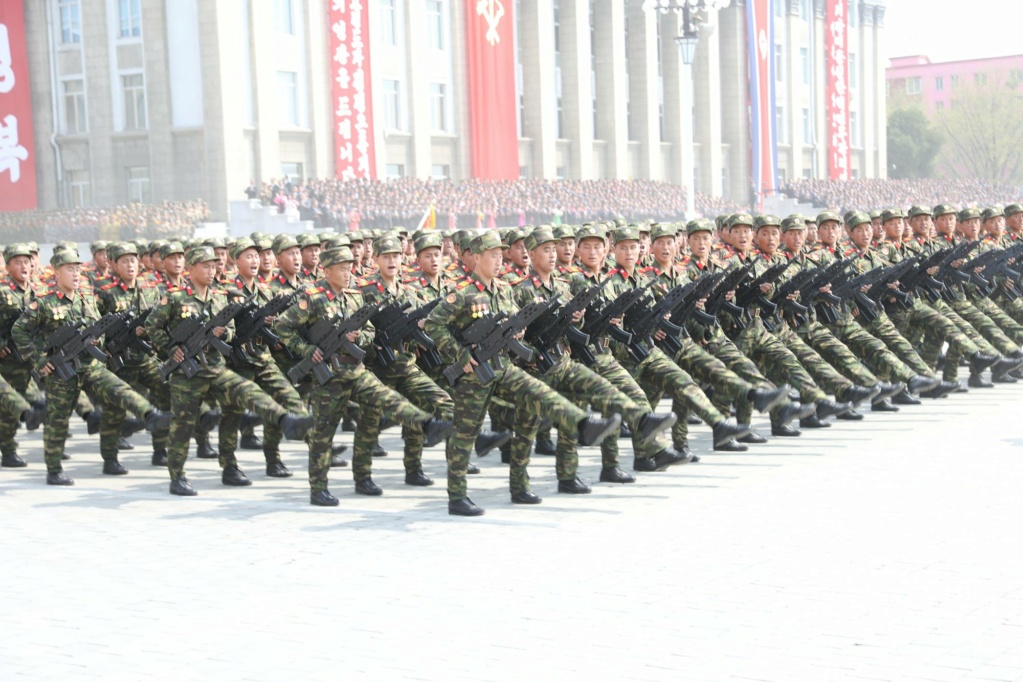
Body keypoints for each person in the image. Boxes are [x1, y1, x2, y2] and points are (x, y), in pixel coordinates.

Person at [425, 231, 623, 516]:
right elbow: (433, 325)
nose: (498, 260)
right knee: (465, 434)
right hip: (474, 373)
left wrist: (516, 330)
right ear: (477, 258)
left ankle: (582, 425)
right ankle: (457, 496)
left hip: (503, 366)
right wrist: (460, 354)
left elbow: (513, 322)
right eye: (492, 255)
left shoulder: (504, 289)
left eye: (499, 255)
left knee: (539, 393)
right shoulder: (462, 293)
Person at [276, 246, 453, 507]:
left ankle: (427, 425)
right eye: (342, 268)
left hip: (356, 370)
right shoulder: (313, 298)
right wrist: (307, 349)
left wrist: (361, 337)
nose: (348, 273)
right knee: (324, 432)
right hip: (328, 376)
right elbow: (282, 325)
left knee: (388, 398)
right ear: (327, 271)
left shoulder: (354, 297)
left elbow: (369, 329)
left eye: (350, 268)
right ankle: (319, 487)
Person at [146, 246, 313, 496]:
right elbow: (152, 327)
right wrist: (171, 348)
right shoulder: (174, 297)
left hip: (215, 367)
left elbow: (233, 328)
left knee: (248, 391)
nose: (211, 270)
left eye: (214, 266)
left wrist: (224, 332)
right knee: (183, 425)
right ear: (191, 269)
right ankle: (177, 476)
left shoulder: (220, 296)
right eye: (205, 266)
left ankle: (285, 421)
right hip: (187, 374)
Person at [13, 247, 171, 485]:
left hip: (89, 364)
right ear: (57, 273)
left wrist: (99, 341)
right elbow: (19, 331)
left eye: (77, 269)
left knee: (118, 388)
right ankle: (53, 469)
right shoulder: (44, 303)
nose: (76, 274)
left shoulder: (87, 300)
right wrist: (39, 360)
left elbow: (100, 328)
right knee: (58, 419)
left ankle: (150, 415)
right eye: (69, 269)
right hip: (61, 370)